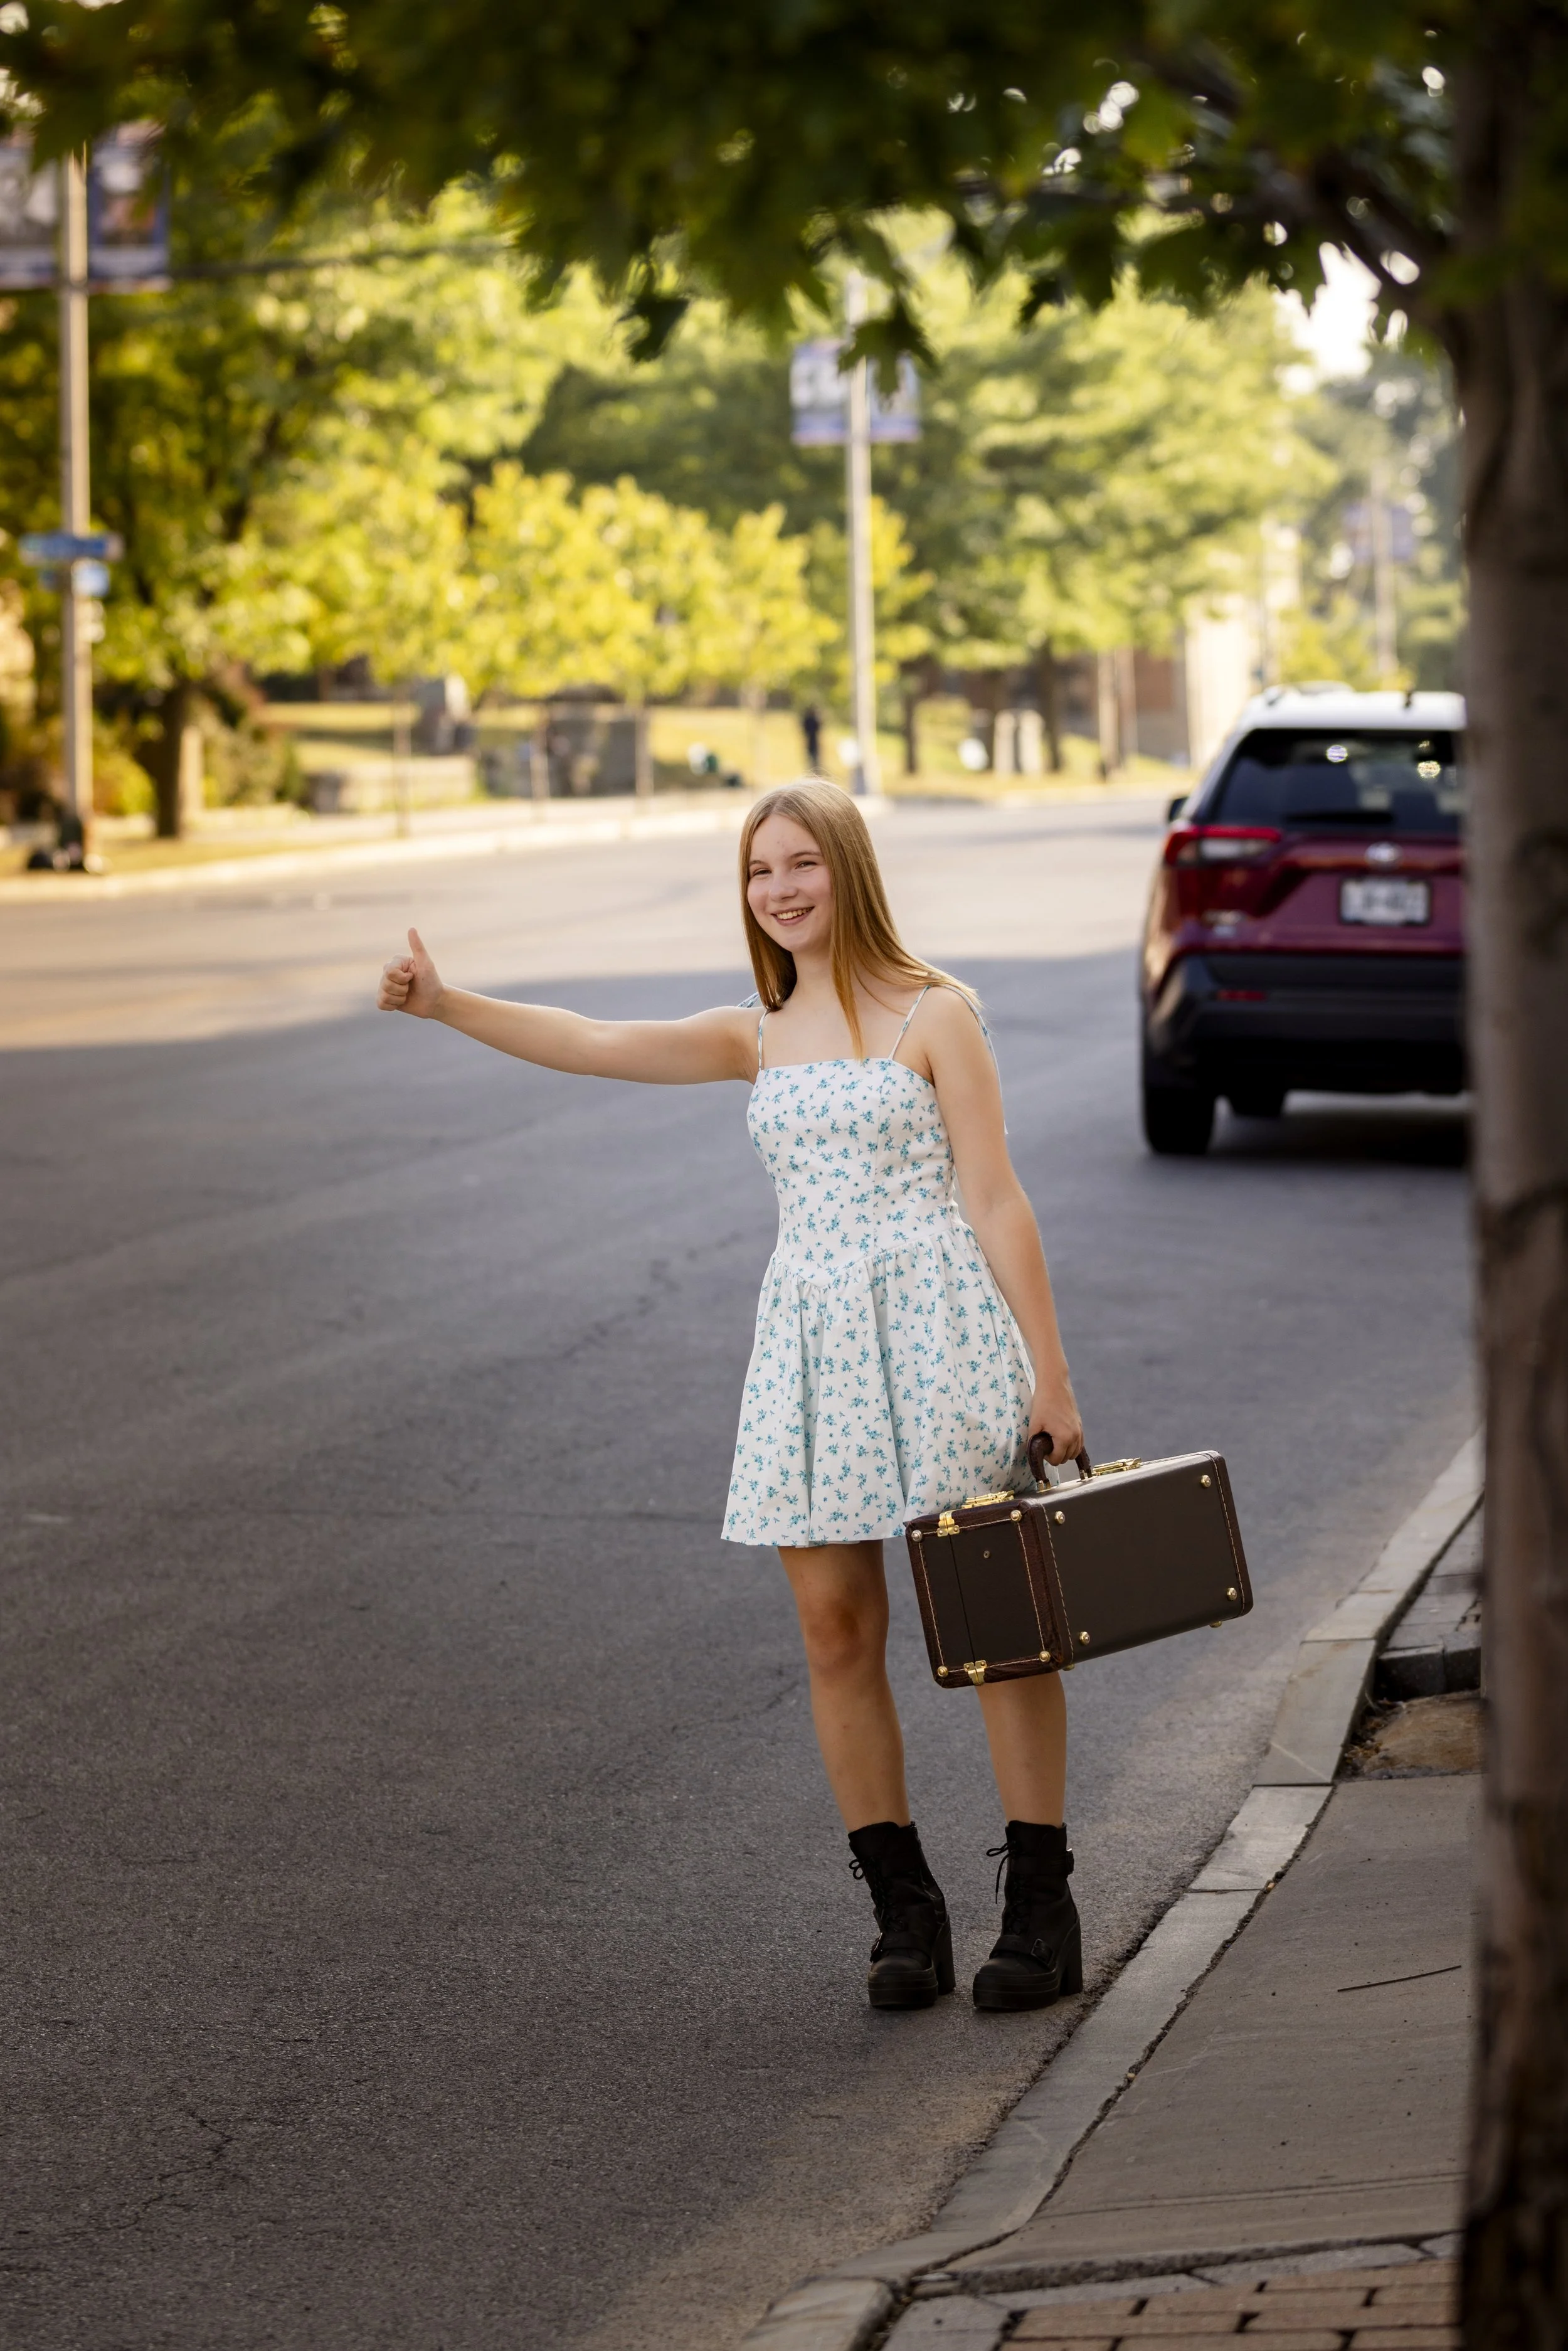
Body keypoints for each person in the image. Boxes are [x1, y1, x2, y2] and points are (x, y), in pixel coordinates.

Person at [376, 780, 1084, 2014]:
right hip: (809, 1343)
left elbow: (996, 1197)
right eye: (759, 872)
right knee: (833, 1631)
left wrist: (1050, 1371)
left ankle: (1039, 1901)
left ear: (847, 868)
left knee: (990, 1629)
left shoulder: (935, 1012)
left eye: (801, 863)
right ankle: (901, 1908)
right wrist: (445, 1004)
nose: (780, 889)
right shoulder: (752, 1031)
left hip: (937, 1333)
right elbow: (591, 1039)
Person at [799, 703, 823, 774]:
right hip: (812, 740)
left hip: (812, 740)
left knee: (813, 757)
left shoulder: (808, 720)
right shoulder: (811, 720)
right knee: (813, 756)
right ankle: (814, 770)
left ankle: (814, 770)